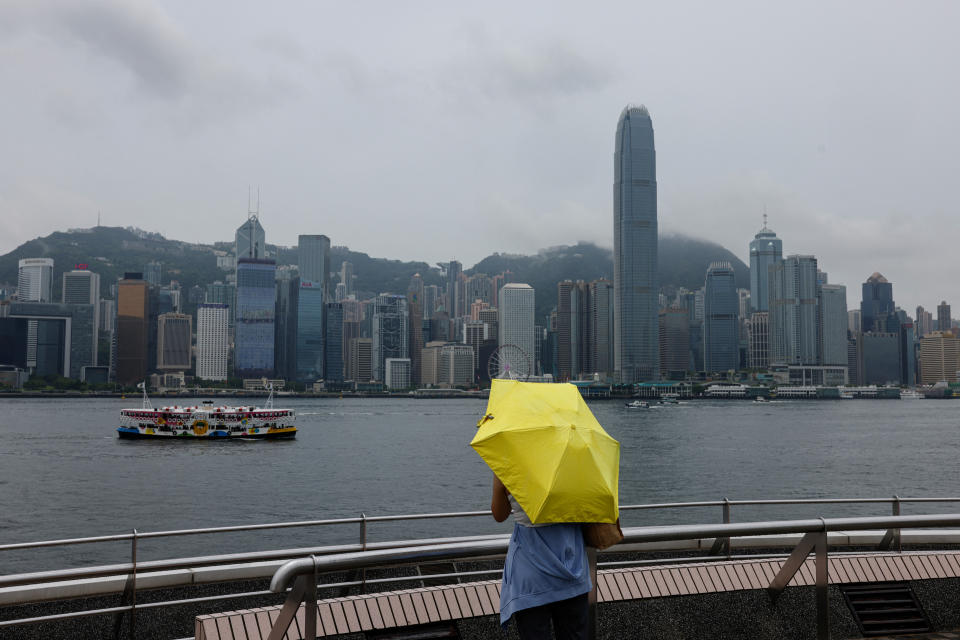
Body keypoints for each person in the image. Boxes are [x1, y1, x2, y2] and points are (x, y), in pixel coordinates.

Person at [491, 473, 592, 640]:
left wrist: (499, 478)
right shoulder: (571, 462)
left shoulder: (510, 463)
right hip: (573, 570)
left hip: (530, 576)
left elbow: (499, 514)